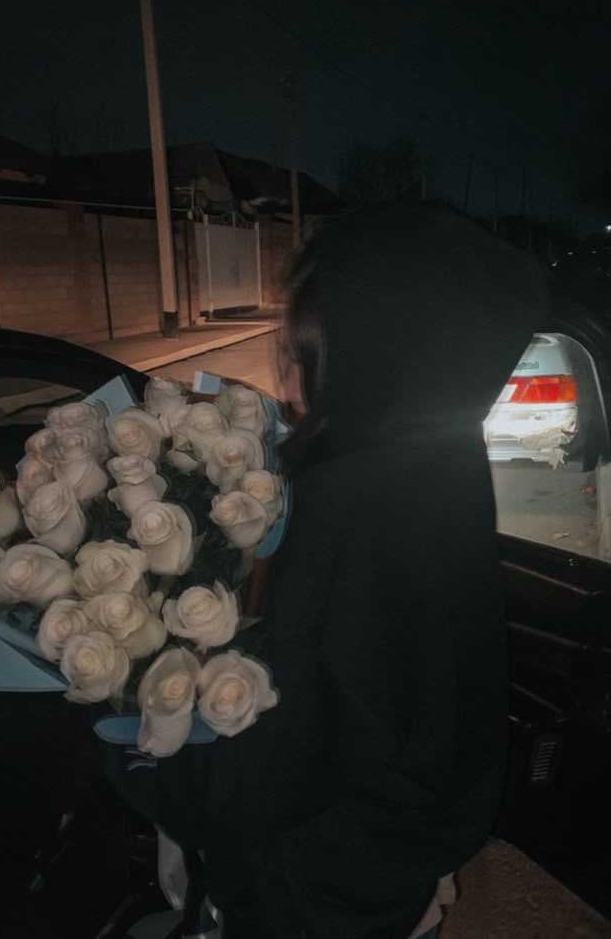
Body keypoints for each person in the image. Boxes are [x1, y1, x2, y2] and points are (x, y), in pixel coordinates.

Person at [144, 204, 549, 938]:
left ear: (376, 352)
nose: (290, 388)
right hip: (399, 862)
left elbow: (249, 781)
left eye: (304, 358)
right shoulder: (441, 465)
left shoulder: (348, 517)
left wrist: (130, 718)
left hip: (323, 894)